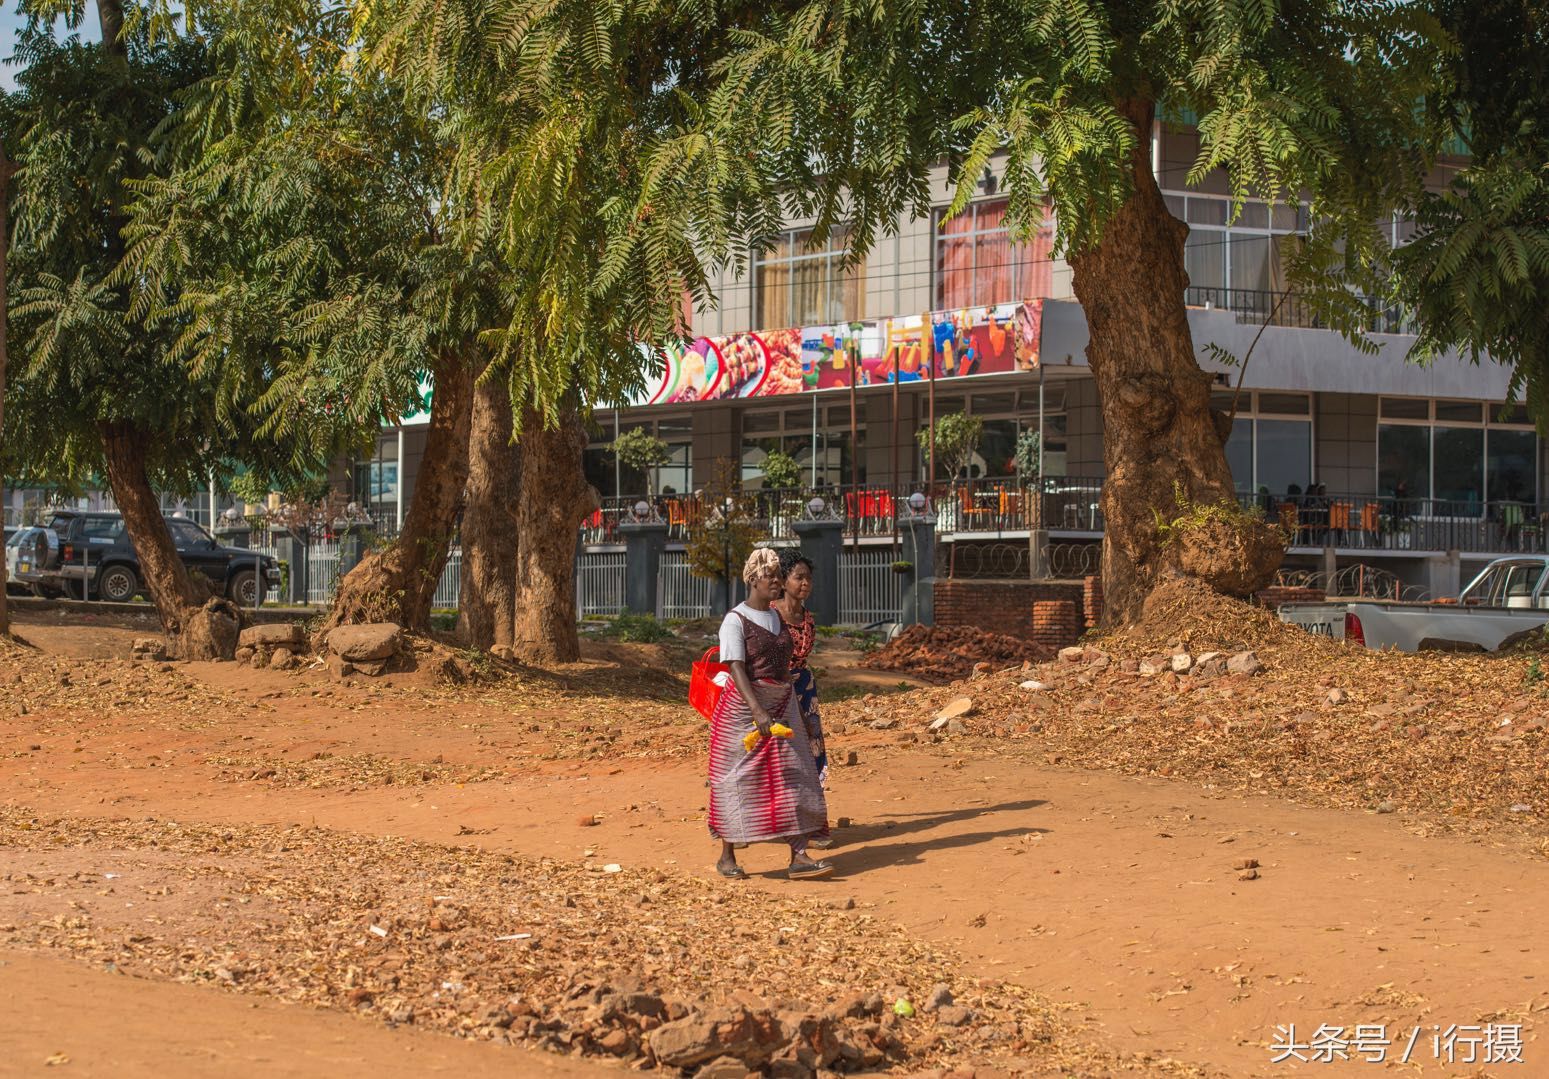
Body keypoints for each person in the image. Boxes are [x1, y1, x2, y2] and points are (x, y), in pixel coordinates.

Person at [708, 548, 833, 880]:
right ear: (753, 580)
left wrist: (797, 710)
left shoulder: (778, 618)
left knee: (795, 775)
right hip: (743, 709)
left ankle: (799, 855)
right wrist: (758, 712)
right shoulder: (735, 619)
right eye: (770, 576)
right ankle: (727, 856)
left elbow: (786, 665)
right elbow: (735, 667)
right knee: (737, 780)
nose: (777, 582)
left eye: (779, 575)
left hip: (784, 701)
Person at [774, 549, 834, 849]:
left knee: (812, 753)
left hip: (804, 690)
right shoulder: (769, 614)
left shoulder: (807, 617)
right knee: (776, 758)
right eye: (798, 577)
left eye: (808, 578)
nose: (805, 583)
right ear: (784, 580)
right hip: (775, 693)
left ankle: (815, 820)